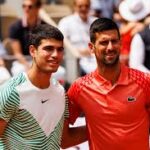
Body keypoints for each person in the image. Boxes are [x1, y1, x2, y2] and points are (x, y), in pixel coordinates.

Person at [67, 18, 150, 150]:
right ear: (91, 47)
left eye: (114, 41)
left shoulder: (144, 81)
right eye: (104, 42)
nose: (110, 47)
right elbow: (63, 139)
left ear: (121, 43)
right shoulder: (79, 88)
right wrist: (95, 128)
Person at [0, 24, 87, 149]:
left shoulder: (60, 92)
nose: (55, 55)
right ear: (32, 51)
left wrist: (101, 126)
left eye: (60, 49)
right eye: (49, 48)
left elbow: (64, 140)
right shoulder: (11, 91)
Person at [58, 0, 97, 76]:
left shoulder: (95, 21)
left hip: (95, 57)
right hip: (76, 60)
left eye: (86, 6)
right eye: (80, 6)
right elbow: (60, 42)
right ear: (75, 7)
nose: (84, 8)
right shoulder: (66, 22)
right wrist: (79, 52)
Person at [8, 0, 45, 75]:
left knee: (60, 72)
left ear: (38, 8)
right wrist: (28, 66)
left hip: (40, 60)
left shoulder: (45, 27)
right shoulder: (15, 27)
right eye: (24, 6)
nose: (26, 9)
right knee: (19, 71)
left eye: (30, 6)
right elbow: (17, 53)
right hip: (22, 62)